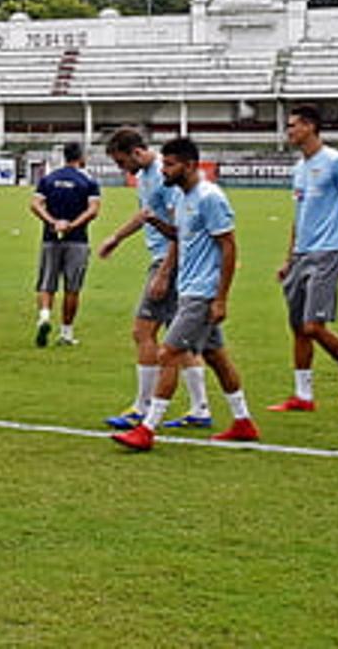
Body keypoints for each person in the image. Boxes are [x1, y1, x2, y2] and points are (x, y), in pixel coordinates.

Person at [111, 137, 259, 451]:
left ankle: (147, 428)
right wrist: (157, 225)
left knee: (168, 353)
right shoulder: (182, 198)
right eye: (164, 163)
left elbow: (229, 246)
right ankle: (243, 421)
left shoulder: (209, 197)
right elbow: (182, 237)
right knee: (216, 357)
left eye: (170, 164)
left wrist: (220, 298)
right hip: (189, 287)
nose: (163, 170)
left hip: (202, 293)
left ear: (190, 165)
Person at [99, 128, 212, 431]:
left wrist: (163, 272)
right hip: (167, 261)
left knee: (143, 331)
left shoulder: (166, 176)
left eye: (122, 162)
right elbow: (145, 215)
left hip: (170, 262)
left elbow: (181, 228)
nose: (121, 169)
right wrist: (116, 238)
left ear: (136, 152)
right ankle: (200, 408)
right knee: (181, 340)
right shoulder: (146, 177)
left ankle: (142, 406)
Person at [271, 105, 338, 415]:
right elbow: (299, 216)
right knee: (298, 327)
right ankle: (303, 395)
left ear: (311, 126)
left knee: (314, 325)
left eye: (293, 126)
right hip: (302, 254)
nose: (288, 131)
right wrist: (289, 258)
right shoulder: (299, 168)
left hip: (328, 252)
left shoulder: (336, 161)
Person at [28, 142, 101, 347]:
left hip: (50, 238)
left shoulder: (49, 179)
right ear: (81, 157)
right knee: (72, 288)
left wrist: (52, 222)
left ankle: (44, 317)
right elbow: (93, 210)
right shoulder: (88, 181)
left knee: (46, 284)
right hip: (77, 240)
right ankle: (66, 333)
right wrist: (72, 225)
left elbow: (34, 204)